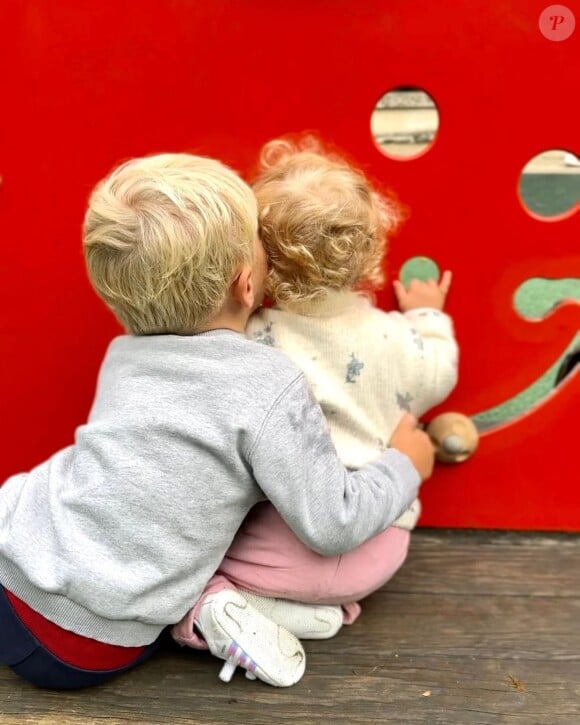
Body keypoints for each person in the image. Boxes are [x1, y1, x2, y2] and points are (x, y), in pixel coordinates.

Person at [0, 152, 434, 690]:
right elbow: (332, 524)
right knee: (180, 581)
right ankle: (207, 615)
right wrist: (404, 465)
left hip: (11, 567)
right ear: (247, 286)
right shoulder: (267, 382)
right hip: (90, 646)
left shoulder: (123, 356)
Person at [173, 137, 458, 655]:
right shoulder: (401, 340)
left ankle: (221, 608)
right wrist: (429, 316)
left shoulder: (249, 337)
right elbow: (441, 372)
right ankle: (318, 612)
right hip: (378, 549)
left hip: (274, 555)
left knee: (178, 579)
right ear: (370, 248)